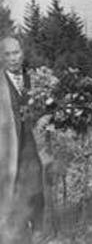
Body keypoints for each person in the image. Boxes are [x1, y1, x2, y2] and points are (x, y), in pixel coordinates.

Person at [0, 36, 44, 243]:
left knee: (35, 181)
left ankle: (38, 228)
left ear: (22, 53)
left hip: (32, 141)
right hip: (7, 144)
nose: (13, 58)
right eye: (7, 54)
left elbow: (47, 107)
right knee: (11, 184)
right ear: (2, 57)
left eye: (16, 53)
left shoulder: (36, 79)